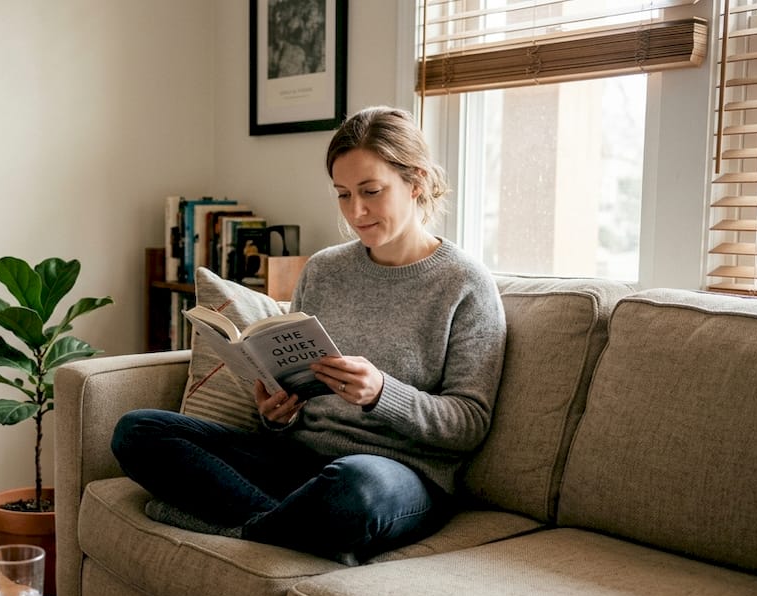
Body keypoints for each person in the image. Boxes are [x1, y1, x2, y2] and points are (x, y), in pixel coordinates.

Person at [111, 106, 506, 565]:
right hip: (297, 462)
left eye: (371, 192)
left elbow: (469, 424)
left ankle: (229, 523)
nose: (355, 211)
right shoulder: (323, 271)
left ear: (415, 181)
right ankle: (283, 526)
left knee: (354, 489)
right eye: (342, 195)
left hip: (395, 475)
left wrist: (382, 392)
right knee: (138, 431)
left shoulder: (464, 284)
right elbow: (292, 395)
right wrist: (276, 413)